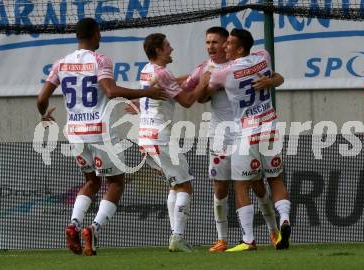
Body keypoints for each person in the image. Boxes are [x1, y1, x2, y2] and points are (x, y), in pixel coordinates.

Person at [37, 18, 168, 256]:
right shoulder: (100, 60)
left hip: (75, 133)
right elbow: (111, 91)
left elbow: (41, 98)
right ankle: (94, 228)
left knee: (91, 181)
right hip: (99, 131)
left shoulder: (61, 63)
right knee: (116, 182)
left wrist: (44, 115)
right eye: (100, 34)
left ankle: (73, 224)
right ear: (96, 34)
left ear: (77, 36)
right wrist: (147, 92)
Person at [182, 27, 286, 252]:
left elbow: (275, 76)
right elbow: (190, 88)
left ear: (228, 46)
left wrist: (272, 79)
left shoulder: (227, 69)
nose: (212, 46)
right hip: (220, 136)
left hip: (245, 133)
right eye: (208, 42)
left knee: (257, 186)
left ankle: (273, 231)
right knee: (220, 188)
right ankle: (222, 239)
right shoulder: (205, 68)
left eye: (217, 42)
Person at [138, 33, 211, 252]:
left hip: (144, 135)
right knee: (185, 185)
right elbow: (188, 101)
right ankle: (178, 236)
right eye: (168, 46)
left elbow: (171, 82)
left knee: (174, 185)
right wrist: (203, 82)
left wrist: (192, 77)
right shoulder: (162, 72)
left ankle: (175, 236)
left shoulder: (146, 69)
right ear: (159, 50)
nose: (172, 49)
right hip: (160, 136)